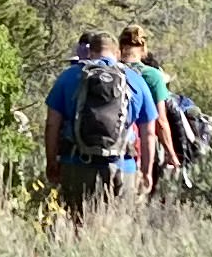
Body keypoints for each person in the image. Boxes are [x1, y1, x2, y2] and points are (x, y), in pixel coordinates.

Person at [44, 29, 144, 218]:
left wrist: (51, 162)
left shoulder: (68, 77)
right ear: (118, 53)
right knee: (117, 227)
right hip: (122, 166)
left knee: (76, 224)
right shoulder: (135, 80)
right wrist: (146, 171)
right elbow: (149, 132)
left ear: (90, 53)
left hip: (76, 163)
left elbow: (52, 125)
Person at [116, 24, 175, 195]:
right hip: (141, 148)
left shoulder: (110, 71)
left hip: (110, 144)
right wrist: (171, 153)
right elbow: (160, 122)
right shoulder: (152, 76)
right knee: (139, 196)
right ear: (143, 48)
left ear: (120, 46)